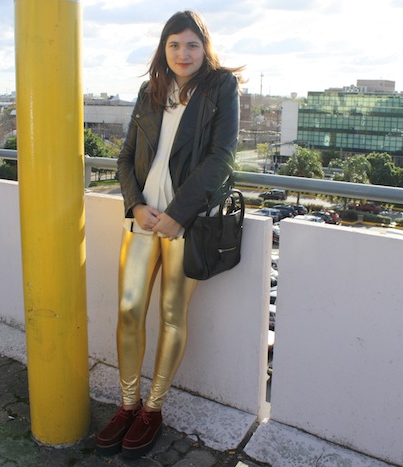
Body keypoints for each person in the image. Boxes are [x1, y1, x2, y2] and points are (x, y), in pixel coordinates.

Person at [94, 10, 244, 459]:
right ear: (164, 48)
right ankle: (127, 405)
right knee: (128, 309)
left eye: (192, 45)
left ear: (205, 48)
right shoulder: (151, 90)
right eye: (174, 44)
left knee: (173, 315)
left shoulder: (221, 88)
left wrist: (178, 214)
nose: (183, 53)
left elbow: (222, 158)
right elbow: (125, 157)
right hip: (142, 220)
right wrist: (136, 205)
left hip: (187, 224)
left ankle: (152, 410)